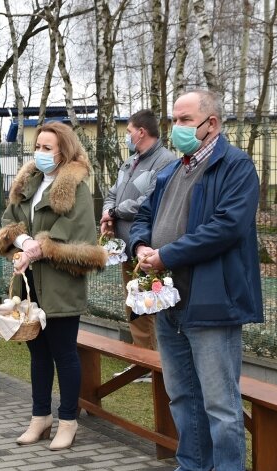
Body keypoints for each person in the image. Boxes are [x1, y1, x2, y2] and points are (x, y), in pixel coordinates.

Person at [131, 90, 263, 471]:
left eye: (186, 120)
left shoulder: (236, 166)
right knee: (182, 392)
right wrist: (140, 246)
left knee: (219, 399)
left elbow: (227, 227)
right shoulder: (172, 169)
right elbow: (144, 215)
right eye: (174, 120)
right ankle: (194, 467)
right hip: (167, 297)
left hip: (212, 298)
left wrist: (166, 254)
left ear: (213, 123)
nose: (177, 128)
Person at [0, 122, 106, 448]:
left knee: (64, 353)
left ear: (63, 150)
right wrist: (25, 241)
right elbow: (9, 222)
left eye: (47, 148)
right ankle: (40, 417)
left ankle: (68, 421)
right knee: (38, 354)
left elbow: (79, 232)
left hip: (60, 285)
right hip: (29, 284)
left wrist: (40, 247)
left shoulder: (76, 187)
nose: (39, 153)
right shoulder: (29, 183)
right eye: (37, 147)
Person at [100, 109, 177, 381]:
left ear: (141, 132)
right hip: (127, 249)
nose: (127, 137)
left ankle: (160, 363)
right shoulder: (130, 161)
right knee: (135, 304)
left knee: (153, 302)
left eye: (129, 132)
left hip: (149, 248)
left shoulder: (165, 161)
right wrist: (109, 212)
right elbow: (112, 193)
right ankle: (142, 361)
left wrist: (116, 212)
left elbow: (151, 199)